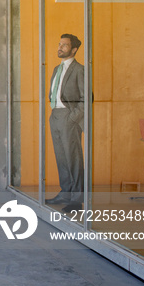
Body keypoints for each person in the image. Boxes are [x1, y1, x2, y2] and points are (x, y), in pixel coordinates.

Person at [46, 34, 84, 212]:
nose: (60, 47)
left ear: (74, 50)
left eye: (65, 45)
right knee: (61, 158)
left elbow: (86, 99)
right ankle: (65, 193)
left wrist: (73, 118)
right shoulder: (56, 69)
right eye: (60, 44)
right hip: (55, 115)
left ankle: (76, 199)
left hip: (68, 117)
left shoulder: (79, 70)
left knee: (73, 158)